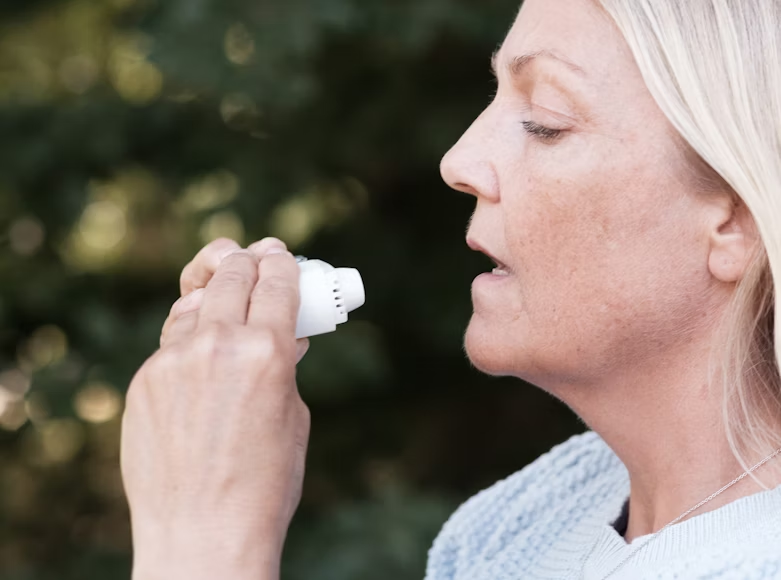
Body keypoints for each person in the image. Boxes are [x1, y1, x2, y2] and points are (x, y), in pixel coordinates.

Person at [119, 0, 781, 578]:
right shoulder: (508, 528)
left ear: (735, 222)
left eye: (544, 119)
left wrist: (202, 536)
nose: (457, 161)